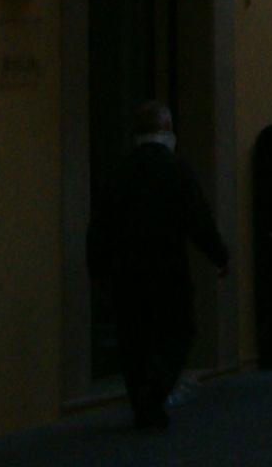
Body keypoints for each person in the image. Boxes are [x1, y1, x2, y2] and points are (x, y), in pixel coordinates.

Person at [87, 101, 229, 430]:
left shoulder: (120, 172)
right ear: (165, 130)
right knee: (178, 331)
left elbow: (99, 227)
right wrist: (219, 256)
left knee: (133, 339)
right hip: (167, 269)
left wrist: (97, 272)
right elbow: (199, 220)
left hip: (126, 271)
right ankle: (154, 396)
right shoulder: (176, 170)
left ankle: (142, 403)